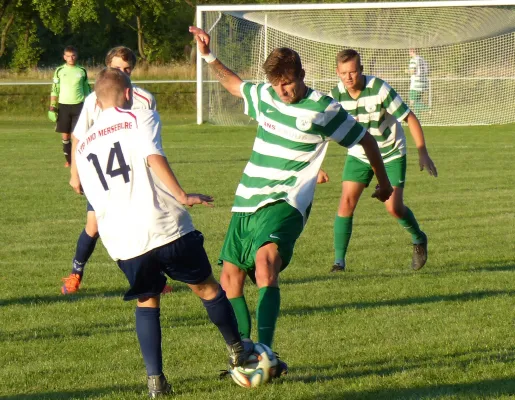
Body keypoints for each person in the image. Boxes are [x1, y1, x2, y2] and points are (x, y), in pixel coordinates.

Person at [189, 26, 393, 375]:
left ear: (302, 74)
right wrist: (208, 55)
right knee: (230, 276)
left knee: (266, 262)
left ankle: (266, 350)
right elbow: (234, 85)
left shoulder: (324, 109)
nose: (282, 91)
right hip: (247, 198)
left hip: (287, 200)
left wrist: (384, 181)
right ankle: (243, 353)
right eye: (276, 84)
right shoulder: (267, 95)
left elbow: (366, 141)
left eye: (288, 83)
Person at [75, 67, 253, 397]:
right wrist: (184, 196)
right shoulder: (139, 117)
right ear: (128, 94)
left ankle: (155, 382)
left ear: (95, 102)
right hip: (164, 226)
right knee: (206, 288)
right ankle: (238, 350)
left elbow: (94, 199)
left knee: (147, 300)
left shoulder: (83, 146)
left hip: (124, 242)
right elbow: (153, 157)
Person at [61, 46, 168, 295]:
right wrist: (74, 174)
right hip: (104, 174)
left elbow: (152, 141)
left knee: (146, 222)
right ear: (107, 67)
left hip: (137, 174)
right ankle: (76, 274)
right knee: (94, 226)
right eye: (117, 68)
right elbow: (77, 138)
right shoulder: (95, 99)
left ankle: (156, 280)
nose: (123, 72)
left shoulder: (144, 99)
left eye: (127, 69)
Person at [328, 49, 437, 273]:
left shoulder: (379, 89)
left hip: (390, 152)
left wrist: (422, 151)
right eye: (344, 73)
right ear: (337, 73)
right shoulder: (335, 96)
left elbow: (409, 117)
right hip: (359, 154)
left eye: (353, 71)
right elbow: (321, 128)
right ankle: (339, 263)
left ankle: (418, 239)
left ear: (361, 70)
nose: (349, 77)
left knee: (394, 208)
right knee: (346, 202)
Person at [49, 45, 91, 167]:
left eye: (73, 55)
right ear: (64, 57)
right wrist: (52, 106)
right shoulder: (59, 71)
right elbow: (55, 89)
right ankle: (69, 160)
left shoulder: (82, 71)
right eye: (68, 56)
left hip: (79, 106)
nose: (71, 58)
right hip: (63, 106)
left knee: (77, 135)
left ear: (76, 56)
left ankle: (78, 160)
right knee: (65, 135)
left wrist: (91, 104)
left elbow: (86, 89)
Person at [408, 48, 430, 114]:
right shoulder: (422, 60)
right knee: (417, 102)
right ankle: (418, 120)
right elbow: (427, 71)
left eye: (409, 51)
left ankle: (428, 109)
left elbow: (412, 72)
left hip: (416, 84)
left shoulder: (413, 60)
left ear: (412, 51)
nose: (409, 53)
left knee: (412, 102)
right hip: (424, 83)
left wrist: (407, 71)